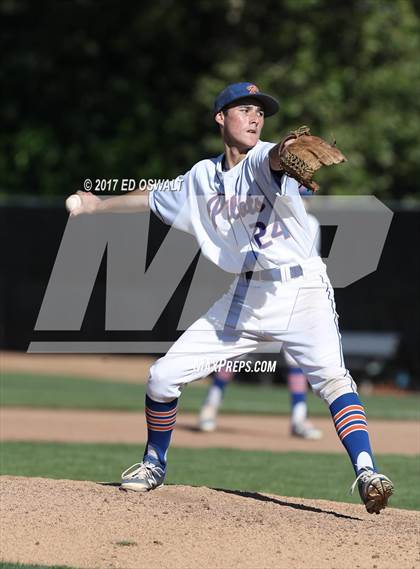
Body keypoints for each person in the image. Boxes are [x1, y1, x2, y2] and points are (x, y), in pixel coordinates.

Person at [69, 82, 394, 513]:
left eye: (261, 112)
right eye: (244, 110)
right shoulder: (201, 177)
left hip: (303, 292)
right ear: (221, 118)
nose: (256, 117)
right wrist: (98, 205)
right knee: (161, 379)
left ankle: (368, 472)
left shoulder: (265, 157)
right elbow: (156, 195)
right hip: (245, 296)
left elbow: (279, 155)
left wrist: (290, 147)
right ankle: (153, 462)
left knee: (334, 382)